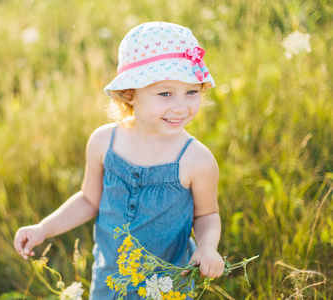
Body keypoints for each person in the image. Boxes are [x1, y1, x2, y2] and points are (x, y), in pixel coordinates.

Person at [14, 21, 224, 299]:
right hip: (109, 277)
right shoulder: (104, 142)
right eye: (165, 93)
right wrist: (43, 228)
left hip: (168, 283)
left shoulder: (196, 160)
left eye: (192, 92)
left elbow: (206, 215)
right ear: (130, 93)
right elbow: (89, 200)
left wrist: (207, 247)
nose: (181, 106)